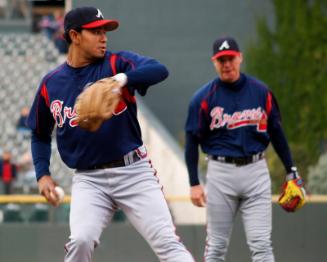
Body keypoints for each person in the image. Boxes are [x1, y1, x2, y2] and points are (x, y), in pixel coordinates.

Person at [27, 6, 194, 262]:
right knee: (80, 241)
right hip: (89, 179)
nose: (104, 36)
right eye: (95, 31)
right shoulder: (52, 83)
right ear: (75, 35)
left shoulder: (117, 63)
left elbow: (159, 70)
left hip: (133, 171)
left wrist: (121, 80)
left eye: (105, 30)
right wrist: (43, 175)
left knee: (167, 243)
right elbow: (39, 134)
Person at [184, 36, 303, 261]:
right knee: (216, 247)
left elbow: (277, 133)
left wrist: (291, 170)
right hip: (220, 173)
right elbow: (191, 141)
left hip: (256, 171)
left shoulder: (261, 92)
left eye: (230, 58)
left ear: (240, 58)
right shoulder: (203, 98)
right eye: (221, 60)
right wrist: (194, 183)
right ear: (214, 62)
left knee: (261, 245)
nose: (226, 64)